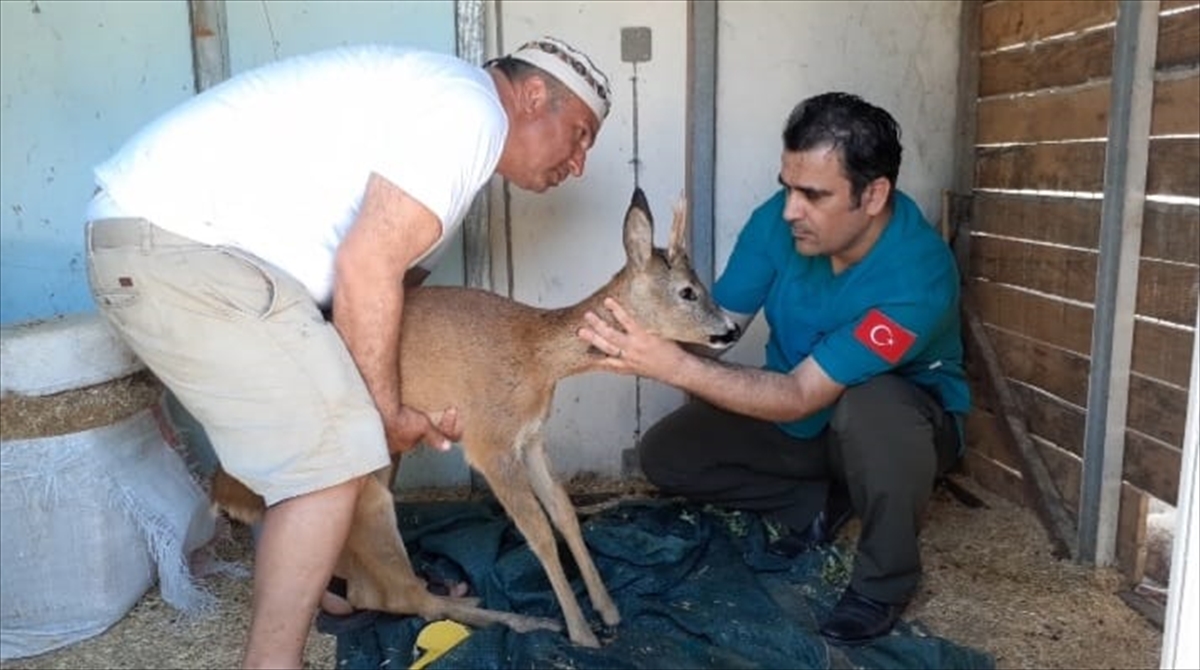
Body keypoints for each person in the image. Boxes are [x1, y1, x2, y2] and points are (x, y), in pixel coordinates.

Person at [84, 37, 612, 669]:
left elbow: (386, 299)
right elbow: (365, 270)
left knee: (333, 441)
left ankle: (334, 586)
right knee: (333, 459)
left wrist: (408, 397)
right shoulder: (469, 114)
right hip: (175, 245)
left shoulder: (448, 134)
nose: (578, 163)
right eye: (579, 134)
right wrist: (386, 415)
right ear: (531, 97)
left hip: (167, 245)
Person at [577, 92, 968, 645]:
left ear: (873, 194)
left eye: (813, 194)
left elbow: (802, 392)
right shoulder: (776, 224)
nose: (790, 209)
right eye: (787, 186)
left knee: (871, 407)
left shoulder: (918, 275)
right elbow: (720, 333)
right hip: (807, 419)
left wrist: (673, 368)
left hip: (899, 426)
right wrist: (644, 332)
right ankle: (822, 503)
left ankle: (884, 582)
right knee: (667, 454)